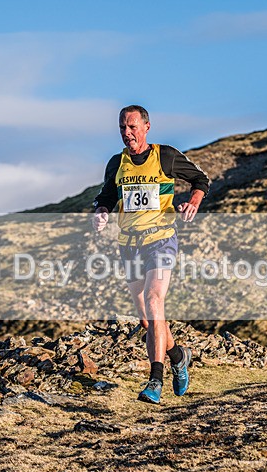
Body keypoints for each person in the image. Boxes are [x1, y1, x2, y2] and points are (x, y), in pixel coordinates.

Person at [93, 105, 210, 404]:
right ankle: (178, 355)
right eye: (122, 127)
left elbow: (201, 180)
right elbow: (106, 195)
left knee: (154, 299)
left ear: (146, 127)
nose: (127, 133)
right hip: (129, 245)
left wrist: (193, 202)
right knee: (148, 320)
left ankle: (155, 380)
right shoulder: (116, 163)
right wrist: (102, 212)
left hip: (160, 239)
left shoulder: (165, 156)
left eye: (132, 127)